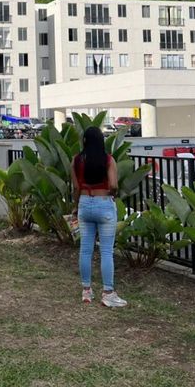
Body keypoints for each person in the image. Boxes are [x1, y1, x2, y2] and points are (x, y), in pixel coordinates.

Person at [71, 126, 127, 308]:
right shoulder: (108, 160)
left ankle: (86, 291)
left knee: (85, 250)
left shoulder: (76, 160)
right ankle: (108, 293)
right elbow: (114, 185)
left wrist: (76, 205)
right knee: (106, 251)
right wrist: (112, 194)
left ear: (84, 141)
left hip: (84, 203)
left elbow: (76, 188)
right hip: (104, 203)